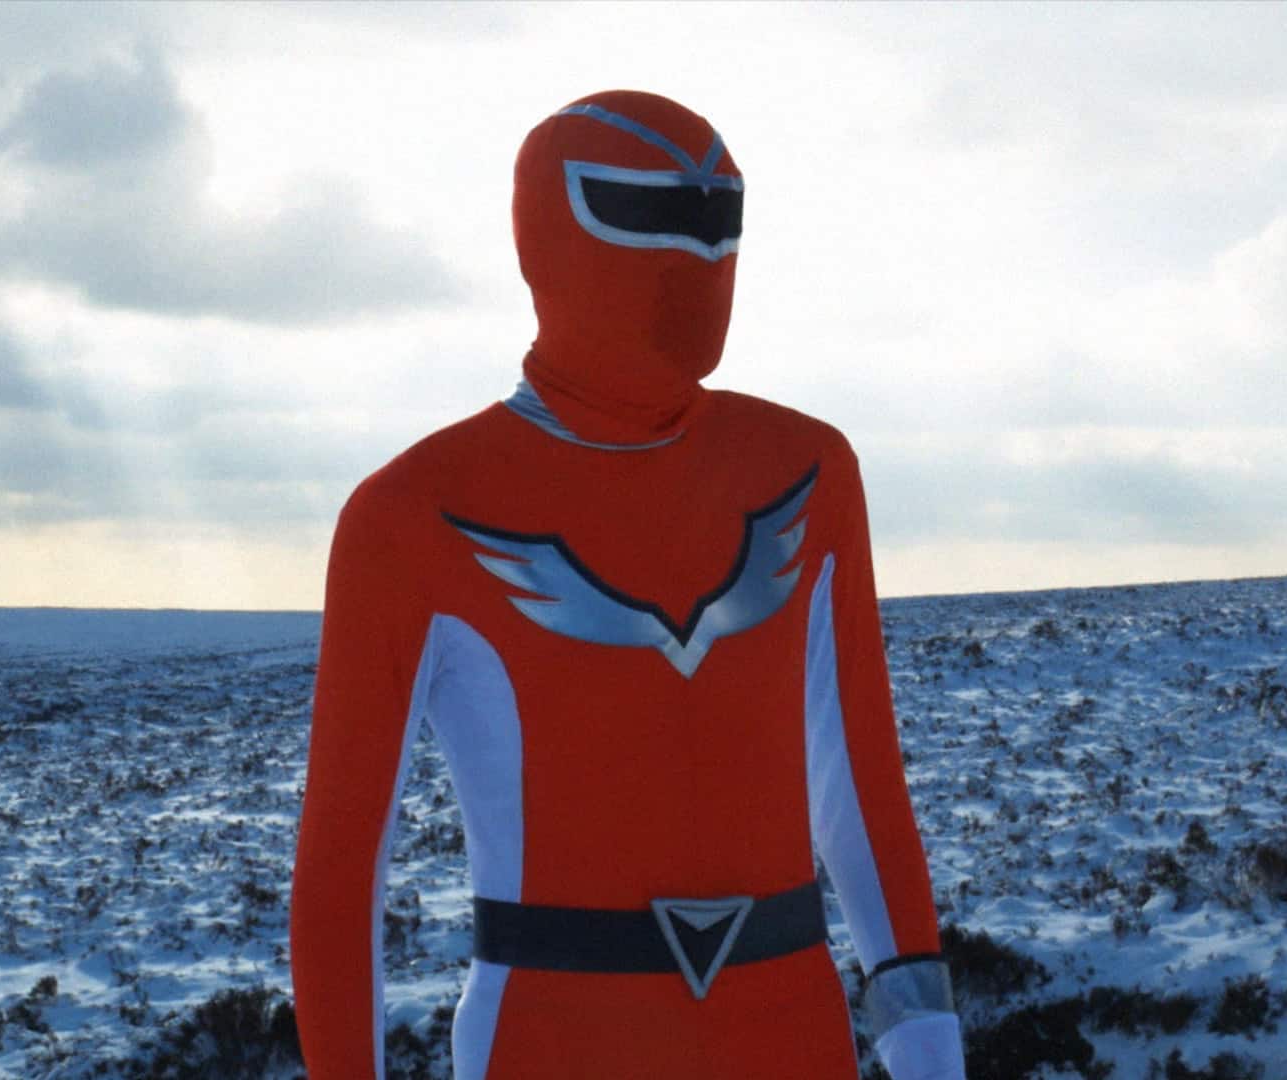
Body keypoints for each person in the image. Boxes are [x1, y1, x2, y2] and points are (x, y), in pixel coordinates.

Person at [290, 89, 965, 1080]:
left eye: (721, 216)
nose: (700, 253)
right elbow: (341, 869)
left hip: (788, 1031)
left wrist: (929, 1054)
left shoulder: (808, 470)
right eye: (653, 212)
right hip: (550, 1041)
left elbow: (860, 791)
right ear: (546, 231)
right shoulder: (412, 515)